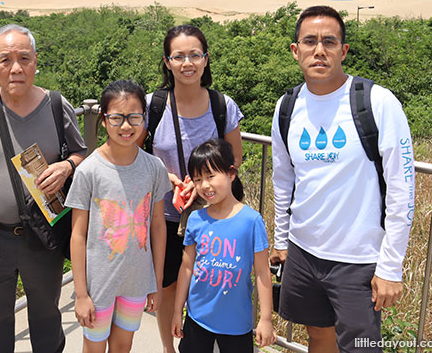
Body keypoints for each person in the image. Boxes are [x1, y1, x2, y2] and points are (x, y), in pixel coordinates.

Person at [270, 5, 415, 353]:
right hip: (304, 253)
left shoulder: (377, 103)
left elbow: (402, 189)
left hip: (359, 259)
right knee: (317, 336)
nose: (319, 50)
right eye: (309, 41)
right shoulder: (287, 106)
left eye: (329, 42)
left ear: (343, 51)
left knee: (360, 347)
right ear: (296, 50)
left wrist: (390, 266)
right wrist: (281, 240)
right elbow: (283, 179)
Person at [0, 24, 86, 352]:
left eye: (24, 58)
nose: (16, 68)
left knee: (46, 316)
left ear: (36, 61)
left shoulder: (56, 105)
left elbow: (83, 155)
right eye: (5, 59)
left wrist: (67, 166)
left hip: (42, 234)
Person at [143, 24, 244, 352]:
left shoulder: (222, 106)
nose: (188, 63)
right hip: (165, 217)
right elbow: (130, 153)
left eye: (195, 55)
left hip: (215, 217)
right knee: (168, 285)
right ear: (167, 62)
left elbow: (235, 159)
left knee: (212, 283)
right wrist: (165, 177)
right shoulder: (151, 105)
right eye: (179, 56)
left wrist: (202, 185)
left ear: (205, 59)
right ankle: (169, 348)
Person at [66, 80, 169, 353]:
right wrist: (81, 294)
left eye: (134, 117)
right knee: (94, 347)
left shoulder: (154, 167)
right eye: (116, 118)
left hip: (136, 279)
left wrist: (155, 282)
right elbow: (78, 234)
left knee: (124, 346)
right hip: (98, 282)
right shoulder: (89, 171)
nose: (126, 126)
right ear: (103, 120)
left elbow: (158, 225)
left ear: (144, 118)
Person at [171, 138, 276, 352]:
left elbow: (262, 273)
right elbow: (187, 267)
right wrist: (176, 311)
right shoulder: (196, 219)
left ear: (231, 173)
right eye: (198, 179)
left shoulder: (251, 221)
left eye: (211, 176)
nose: (205, 185)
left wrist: (265, 319)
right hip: (197, 317)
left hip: (236, 322)